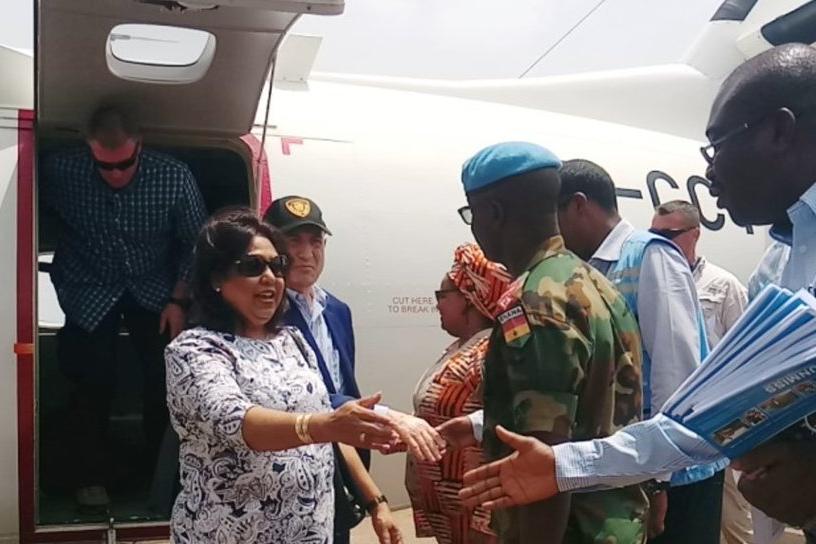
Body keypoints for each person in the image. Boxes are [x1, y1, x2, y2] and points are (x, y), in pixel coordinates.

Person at [458, 43, 816, 539]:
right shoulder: (779, 265)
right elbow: (707, 415)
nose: (709, 173)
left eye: (717, 145)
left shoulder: (641, 260)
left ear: (779, 131)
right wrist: (563, 465)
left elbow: (675, 372)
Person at [165, 207, 400, 544]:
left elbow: (329, 424)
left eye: (277, 266)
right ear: (216, 278)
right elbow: (236, 422)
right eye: (252, 266)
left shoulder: (293, 341)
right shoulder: (194, 350)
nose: (270, 277)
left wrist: (376, 500)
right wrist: (323, 426)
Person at [454, 142, 648, 543]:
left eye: (472, 214)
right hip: (615, 522)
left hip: (570, 530)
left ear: (494, 213)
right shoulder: (592, 283)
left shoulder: (535, 301)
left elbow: (544, 460)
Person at [40, 103, 207, 508]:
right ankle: (88, 476)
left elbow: (196, 242)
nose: (115, 174)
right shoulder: (60, 171)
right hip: (88, 284)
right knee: (90, 379)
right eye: (105, 166)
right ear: (89, 151)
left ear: (140, 146)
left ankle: (159, 474)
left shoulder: (173, 177)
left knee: (164, 379)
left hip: (155, 288)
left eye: (124, 164)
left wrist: (178, 299)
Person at [263, 196, 443, 544]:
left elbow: (343, 390)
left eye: (315, 241)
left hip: (339, 475)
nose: (306, 253)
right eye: (293, 241)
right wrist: (387, 417)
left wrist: (372, 496)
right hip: (289, 478)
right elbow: (313, 398)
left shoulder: (338, 311)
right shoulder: (265, 317)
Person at [651, 200, 753, 544]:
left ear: (694, 235)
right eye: (653, 234)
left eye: (668, 234)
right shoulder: (656, 281)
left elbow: (743, 353)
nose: (659, 242)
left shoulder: (722, 285)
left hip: (718, 418)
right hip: (674, 419)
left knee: (733, 514)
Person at [405, 243, 511, 544]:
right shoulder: (462, 347)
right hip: (452, 516)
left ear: (469, 297)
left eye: (442, 295)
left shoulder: (490, 353)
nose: (437, 304)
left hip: (474, 517)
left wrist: (486, 522)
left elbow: (501, 433)